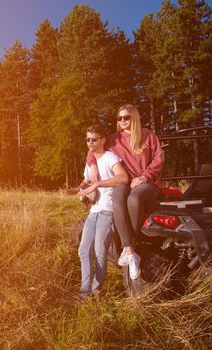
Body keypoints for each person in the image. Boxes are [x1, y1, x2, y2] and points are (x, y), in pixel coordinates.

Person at [85, 104, 163, 280]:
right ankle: (130, 252)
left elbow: (158, 160)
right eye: (119, 118)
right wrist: (92, 165)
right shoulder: (113, 139)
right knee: (118, 200)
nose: (122, 121)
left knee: (134, 199)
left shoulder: (148, 135)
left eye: (126, 117)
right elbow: (93, 148)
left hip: (146, 182)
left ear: (134, 117)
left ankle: (129, 244)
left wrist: (144, 177)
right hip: (125, 181)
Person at [67, 124, 128, 298]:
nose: (90, 142)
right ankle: (85, 291)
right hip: (93, 211)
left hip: (107, 210)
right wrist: (76, 188)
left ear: (102, 140)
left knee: (100, 251)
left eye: (94, 139)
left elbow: (123, 178)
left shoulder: (110, 157)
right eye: (87, 139)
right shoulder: (90, 161)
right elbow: (86, 180)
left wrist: (99, 184)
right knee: (84, 250)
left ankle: (95, 289)